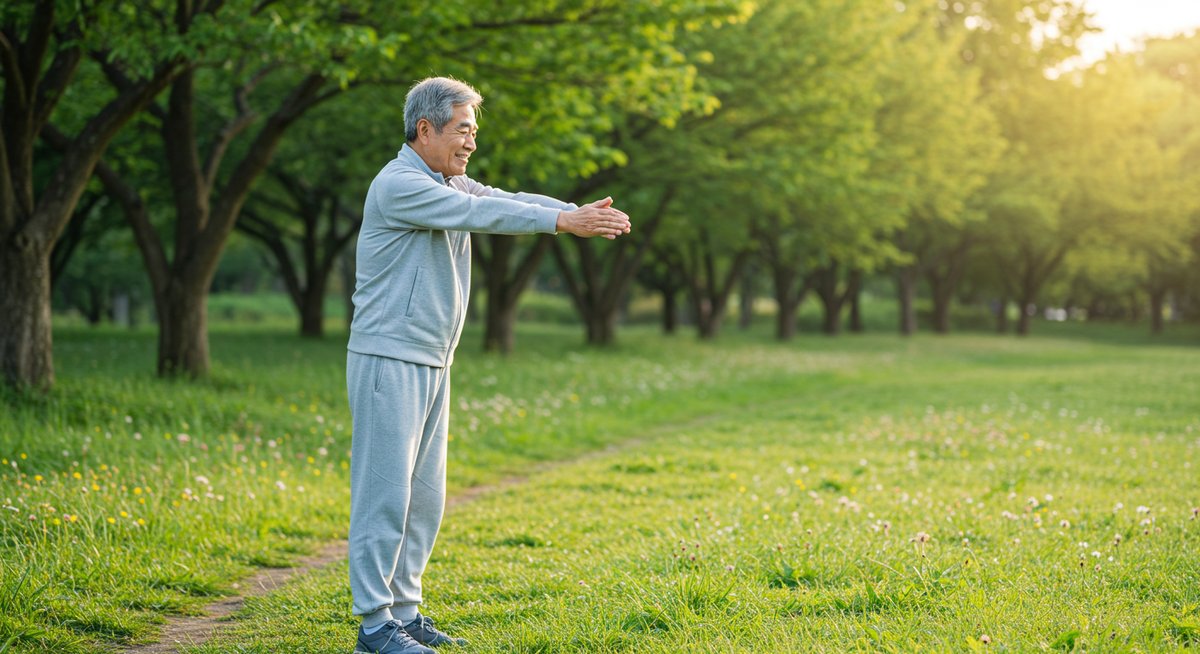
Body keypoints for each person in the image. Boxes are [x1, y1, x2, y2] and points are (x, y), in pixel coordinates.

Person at [346, 76, 631, 654]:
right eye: (463, 131)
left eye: (474, 132)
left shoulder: (444, 178)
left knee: (425, 497)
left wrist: (572, 211)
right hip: (389, 356)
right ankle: (374, 626)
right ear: (425, 130)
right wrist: (561, 224)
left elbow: (504, 199)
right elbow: (483, 215)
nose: (471, 144)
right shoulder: (401, 184)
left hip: (432, 358)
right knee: (385, 496)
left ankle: (405, 610)